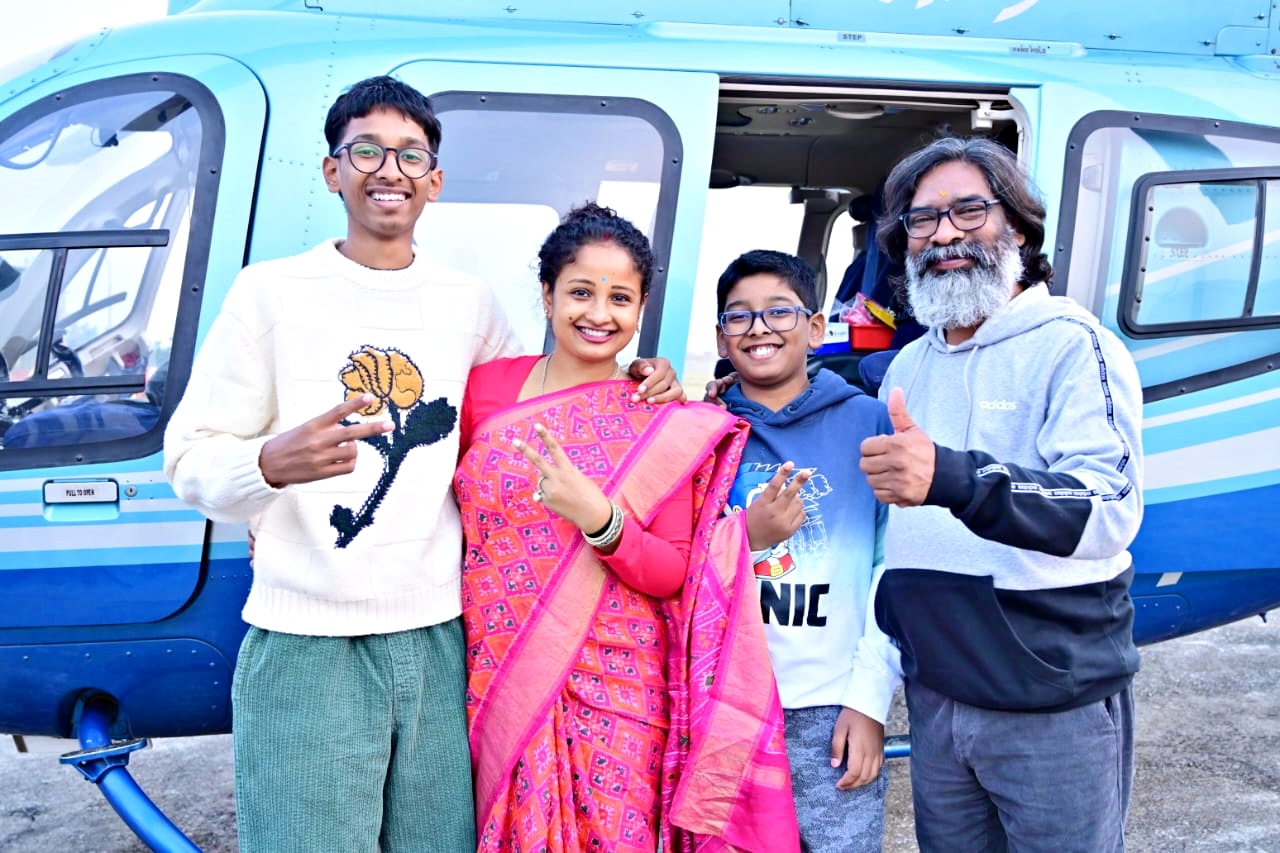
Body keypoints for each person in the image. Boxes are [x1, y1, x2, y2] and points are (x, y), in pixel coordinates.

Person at [163, 77, 681, 853]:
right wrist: (267, 464)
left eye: (412, 155)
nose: (389, 170)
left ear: (435, 181)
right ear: (333, 170)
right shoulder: (268, 294)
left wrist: (643, 375)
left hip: (440, 639)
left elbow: (540, 407)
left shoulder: (468, 304)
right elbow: (190, 458)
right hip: (306, 639)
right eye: (366, 150)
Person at [455, 203, 800, 853]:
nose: (598, 313)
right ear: (547, 294)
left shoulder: (658, 418)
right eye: (581, 291)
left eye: (621, 297)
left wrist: (599, 518)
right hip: (498, 673)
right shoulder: (484, 392)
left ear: (641, 308)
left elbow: (673, 570)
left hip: (618, 685)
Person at [859, 136, 1144, 852]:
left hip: (1050, 706)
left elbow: (1108, 507)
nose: (945, 233)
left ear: (1017, 226)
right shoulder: (910, 367)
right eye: (923, 220)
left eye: (969, 210)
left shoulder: (1074, 345)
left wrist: (952, 477)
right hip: (939, 700)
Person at [713, 249, 901, 852]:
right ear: (721, 336)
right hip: (722, 702)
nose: (758, 328)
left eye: (778, 312)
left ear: (816, 328)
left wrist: (869, 702)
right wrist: (748, 538)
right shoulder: (701, 428)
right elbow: (674, 563)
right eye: (739, 316)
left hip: (830, 705)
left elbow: (890, 570)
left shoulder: (870, 423)